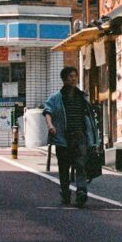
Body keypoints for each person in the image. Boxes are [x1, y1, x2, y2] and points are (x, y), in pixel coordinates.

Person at [43, 66, 97, 207]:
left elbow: (89, 117)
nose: (74, 79)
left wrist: (93, 137)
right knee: (64, 167)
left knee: (81, 164)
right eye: (71, 76)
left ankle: (81, 192)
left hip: (80, 136)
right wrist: (50, 125)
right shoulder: (56, 98)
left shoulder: (82, 97)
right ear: (64, 79)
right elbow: (48, 111)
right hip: (63, 137)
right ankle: (65, 192)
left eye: (75, 76)